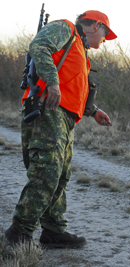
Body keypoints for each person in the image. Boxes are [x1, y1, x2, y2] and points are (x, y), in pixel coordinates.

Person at [3, 10, 117, 248]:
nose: (105, 41)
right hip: (48, 109)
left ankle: (53, 231)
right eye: (106, 34)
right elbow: (39, 45)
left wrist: (93, 111)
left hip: (65, 117)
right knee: (47, 172)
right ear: (96, 26)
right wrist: (52, 82)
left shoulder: (82, 53)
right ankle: (19, 232)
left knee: (61, 175)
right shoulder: (66, 28)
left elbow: (72, 86)